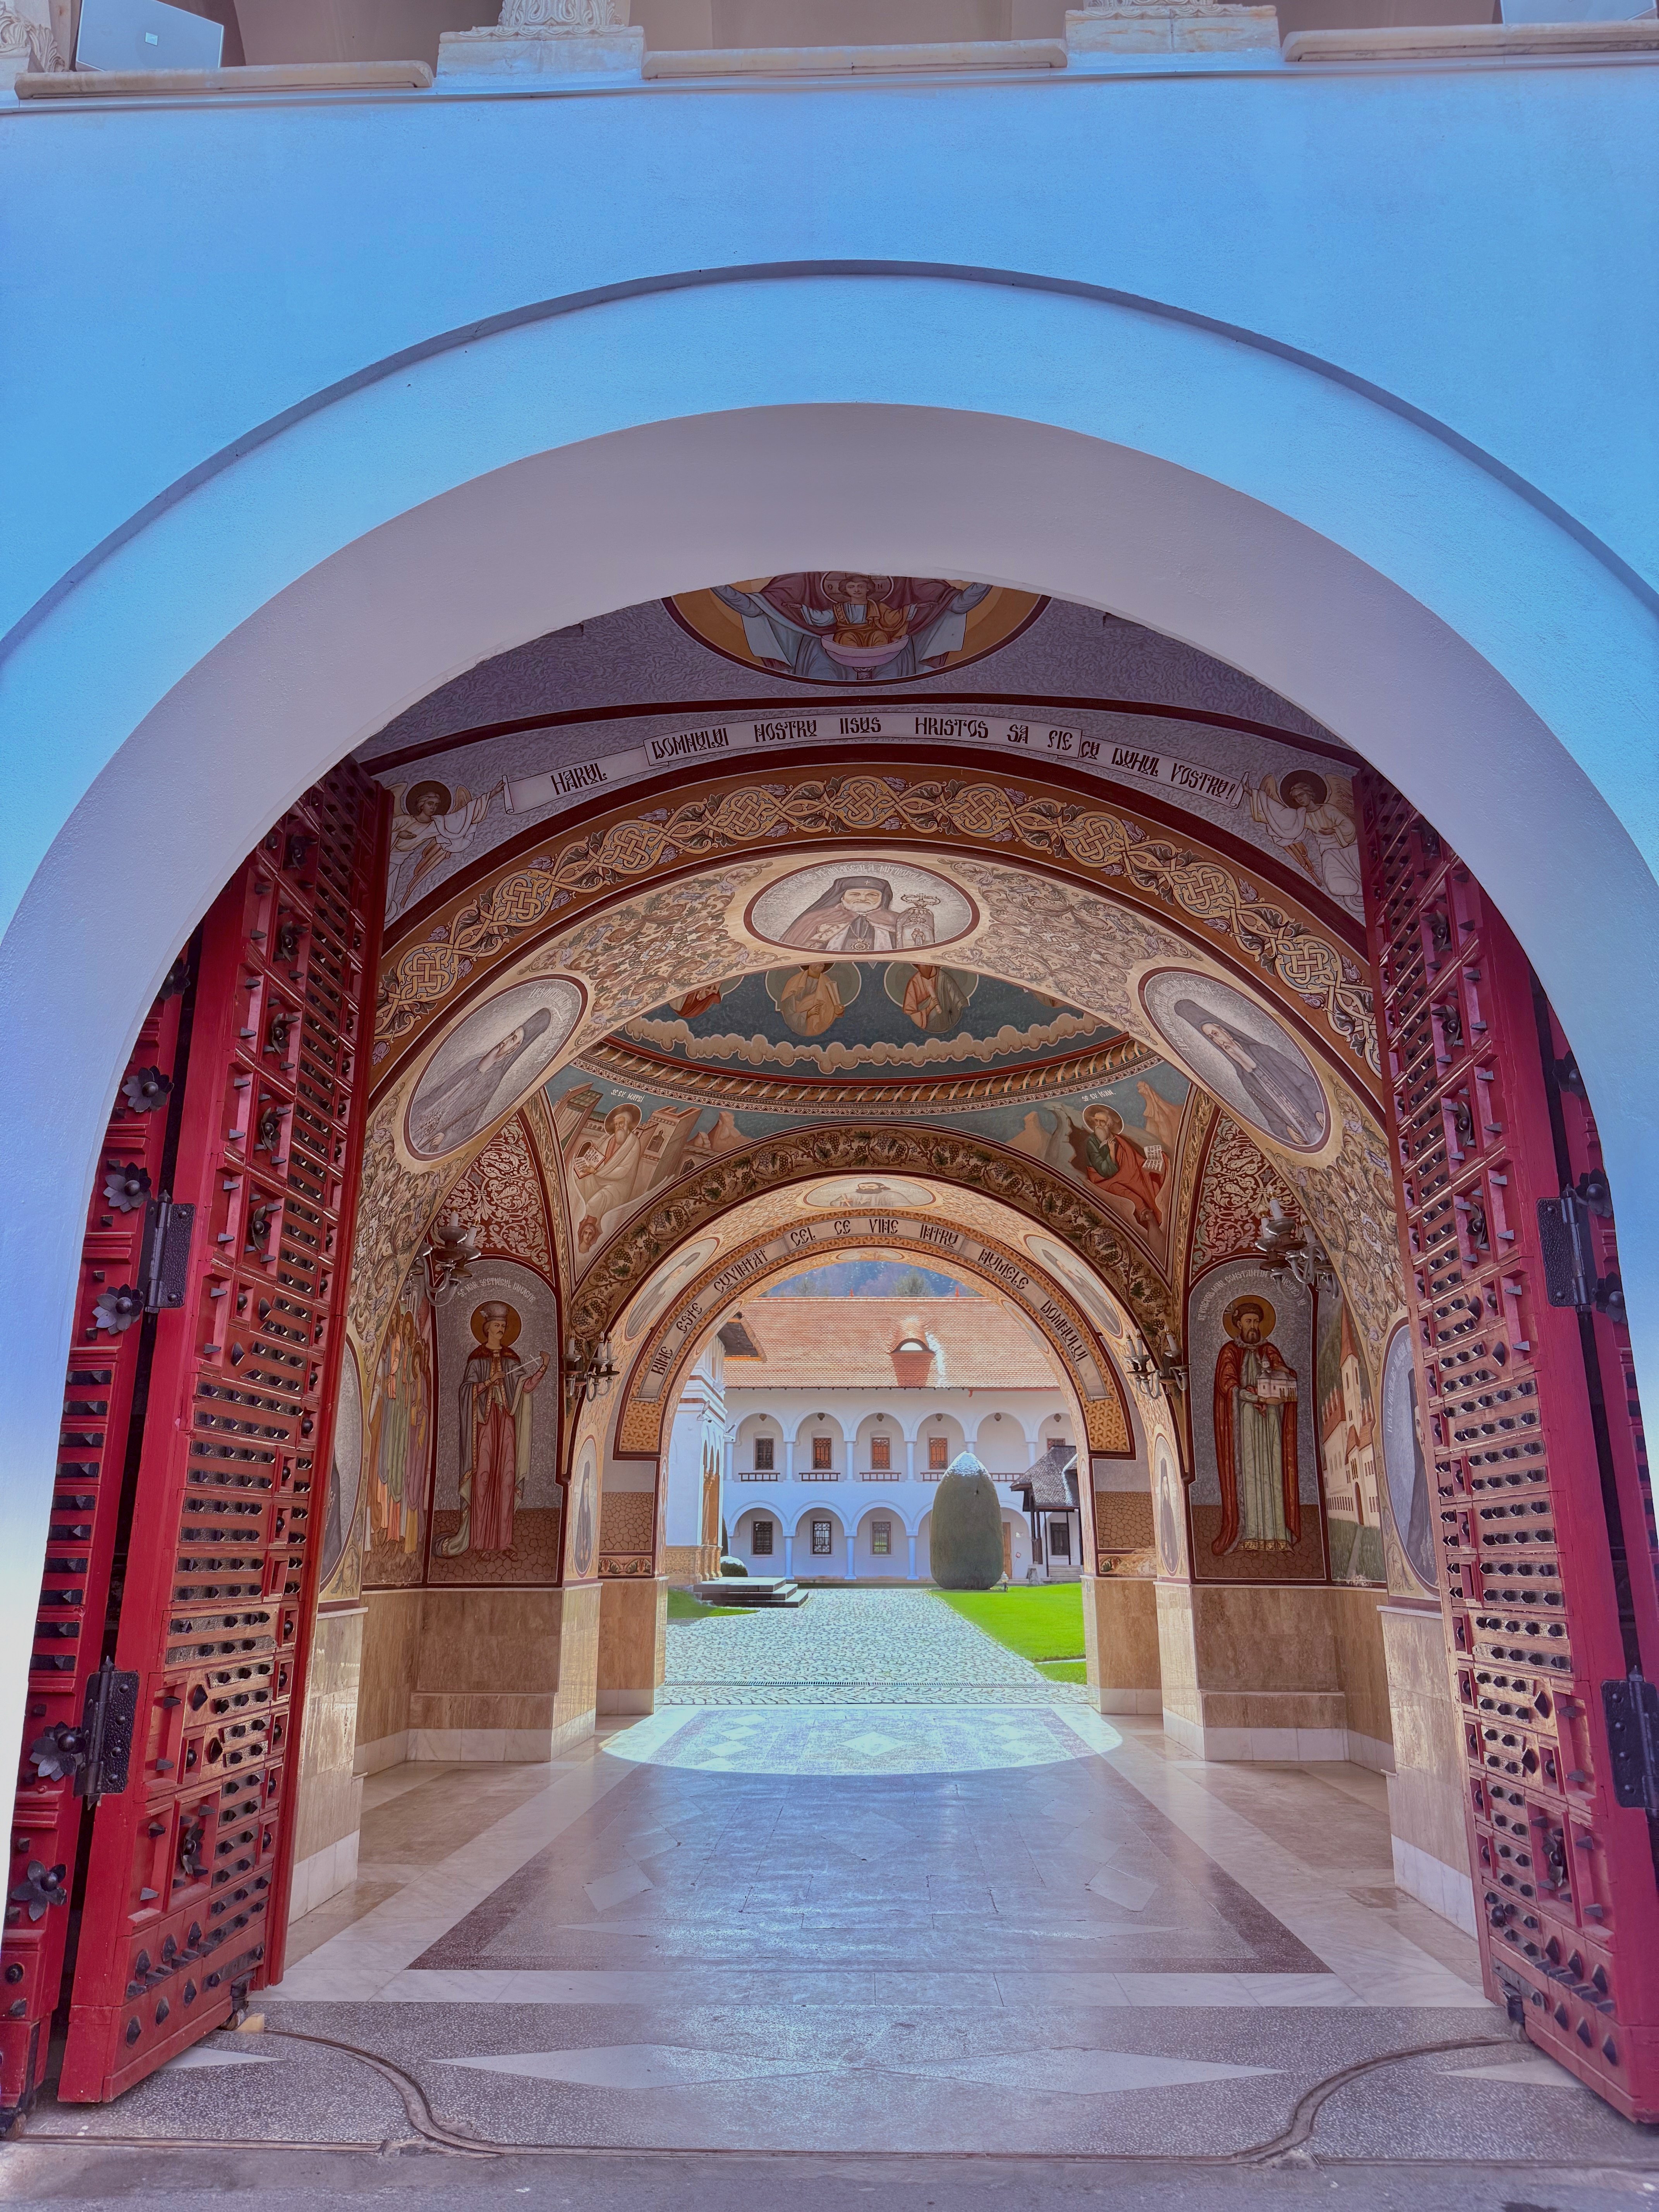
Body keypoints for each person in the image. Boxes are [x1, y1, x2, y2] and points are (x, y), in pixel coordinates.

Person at [437, 1303, 549, 1558]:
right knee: (484, 1478)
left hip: (506, 1423)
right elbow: (465, 1391)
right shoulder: (477, 1359)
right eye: (497, 1325)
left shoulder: (512, 1360)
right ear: (487, 1328)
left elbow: (525, 1387)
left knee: (506, 1478)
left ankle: (503, 1542)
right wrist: (488, 1382)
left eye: (504, 1326)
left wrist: (543, 1367)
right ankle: (479, 1541)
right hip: (484, 1425)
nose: (502, 1329)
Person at [1170, 998, 1327, 1149]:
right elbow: (1269, 1114)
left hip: (1313, 1116)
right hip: (1299, 1130)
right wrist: (1287, 1130)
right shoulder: (1244, 1077)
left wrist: (1317, 1109)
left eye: (1216, 1034)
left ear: (1225, 1031)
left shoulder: (1264, 1052)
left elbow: (1303, 1082)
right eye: (1212, 1038)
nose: (1218, 1041)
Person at [1212, 1298, 1300, 1554]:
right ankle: (1251, 1535)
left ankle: (1277, 1535)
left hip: (1271, 1419)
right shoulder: (1230, 1351)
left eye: (1256, 1322)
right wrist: (1253, 1397)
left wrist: (1283, 1373)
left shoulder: (1268, 1350)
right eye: (1249, 1321)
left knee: (1273, 1470)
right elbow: (1226, 1384)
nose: (1253, 1326)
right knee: (1249, 1472)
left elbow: (1287, 1377)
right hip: (1244, 1421)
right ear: (1239, 1324)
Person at [409, 1007, 554, 1158]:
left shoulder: (493, 1079)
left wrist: (447, 1137)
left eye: (513, 1040)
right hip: (425, 1116)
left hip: (437, 1131)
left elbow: (471, 1118)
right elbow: (442, 1090)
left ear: (515, 1048)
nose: (505, 1041)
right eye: (511, 1034)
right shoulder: (476, 1062)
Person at [1247, 770, 1363, 917]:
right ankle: (1359, 891)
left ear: (1310, 793)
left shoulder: (1328, 809)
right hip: (1329, 852)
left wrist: (1334, 830)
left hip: (1348, 847)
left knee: (1363, 874)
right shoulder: (1302, 816)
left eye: (1301, 795)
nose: (1299, 800)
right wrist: (1254, 794)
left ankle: (1364, 892)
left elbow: (1348, 826)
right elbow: (1279, 814)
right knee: (1334, 887)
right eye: (1295, 798)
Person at [778, 875, 934, 955]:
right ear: (842, 897)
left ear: (882, 899)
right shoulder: (815, 919)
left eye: (872, 895)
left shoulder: (896, 920)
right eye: (855, 894)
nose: (863, 898)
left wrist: (914, 921)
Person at [1068, 1103, 1168, 1229]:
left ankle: (1158, 1219)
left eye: (1102, 1122)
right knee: (1136, 1198)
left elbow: (1135, 1160)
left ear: (1109, 1124)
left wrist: (1153, 1161)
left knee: (1151, 1182)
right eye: (1096, 1121)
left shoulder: (1119, 1139)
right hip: (1106, 1180)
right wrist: (1111, 1151)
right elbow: (1106, 1172)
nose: (1098, 1125)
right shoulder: (1091, 1142)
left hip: (1129, 1175)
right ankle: (1147, 1218)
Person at [778, 963, 847, 1037]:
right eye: (817, 961)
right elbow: (789, 1016)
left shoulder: (827, 982)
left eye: (823, 961)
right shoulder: (794, 982)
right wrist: (809, 1013)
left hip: (819, 1025)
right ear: (809, 964)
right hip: (803, 1025)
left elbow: (830, 1008)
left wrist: (837, 1010)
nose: (821, 963)